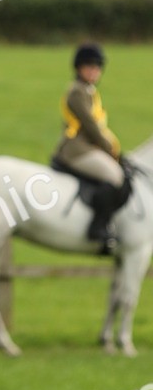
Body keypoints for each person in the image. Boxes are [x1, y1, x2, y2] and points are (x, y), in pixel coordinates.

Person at [52, 42, 130, 247]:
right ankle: (98, 226)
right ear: (79, 68)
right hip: (76, 149)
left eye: (97, 67)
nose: (93, 71)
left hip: (88, 147)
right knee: (115, 177)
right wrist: (108, 147)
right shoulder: (77, 92)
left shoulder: (88, 90)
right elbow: (90, 125)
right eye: (89, 66)